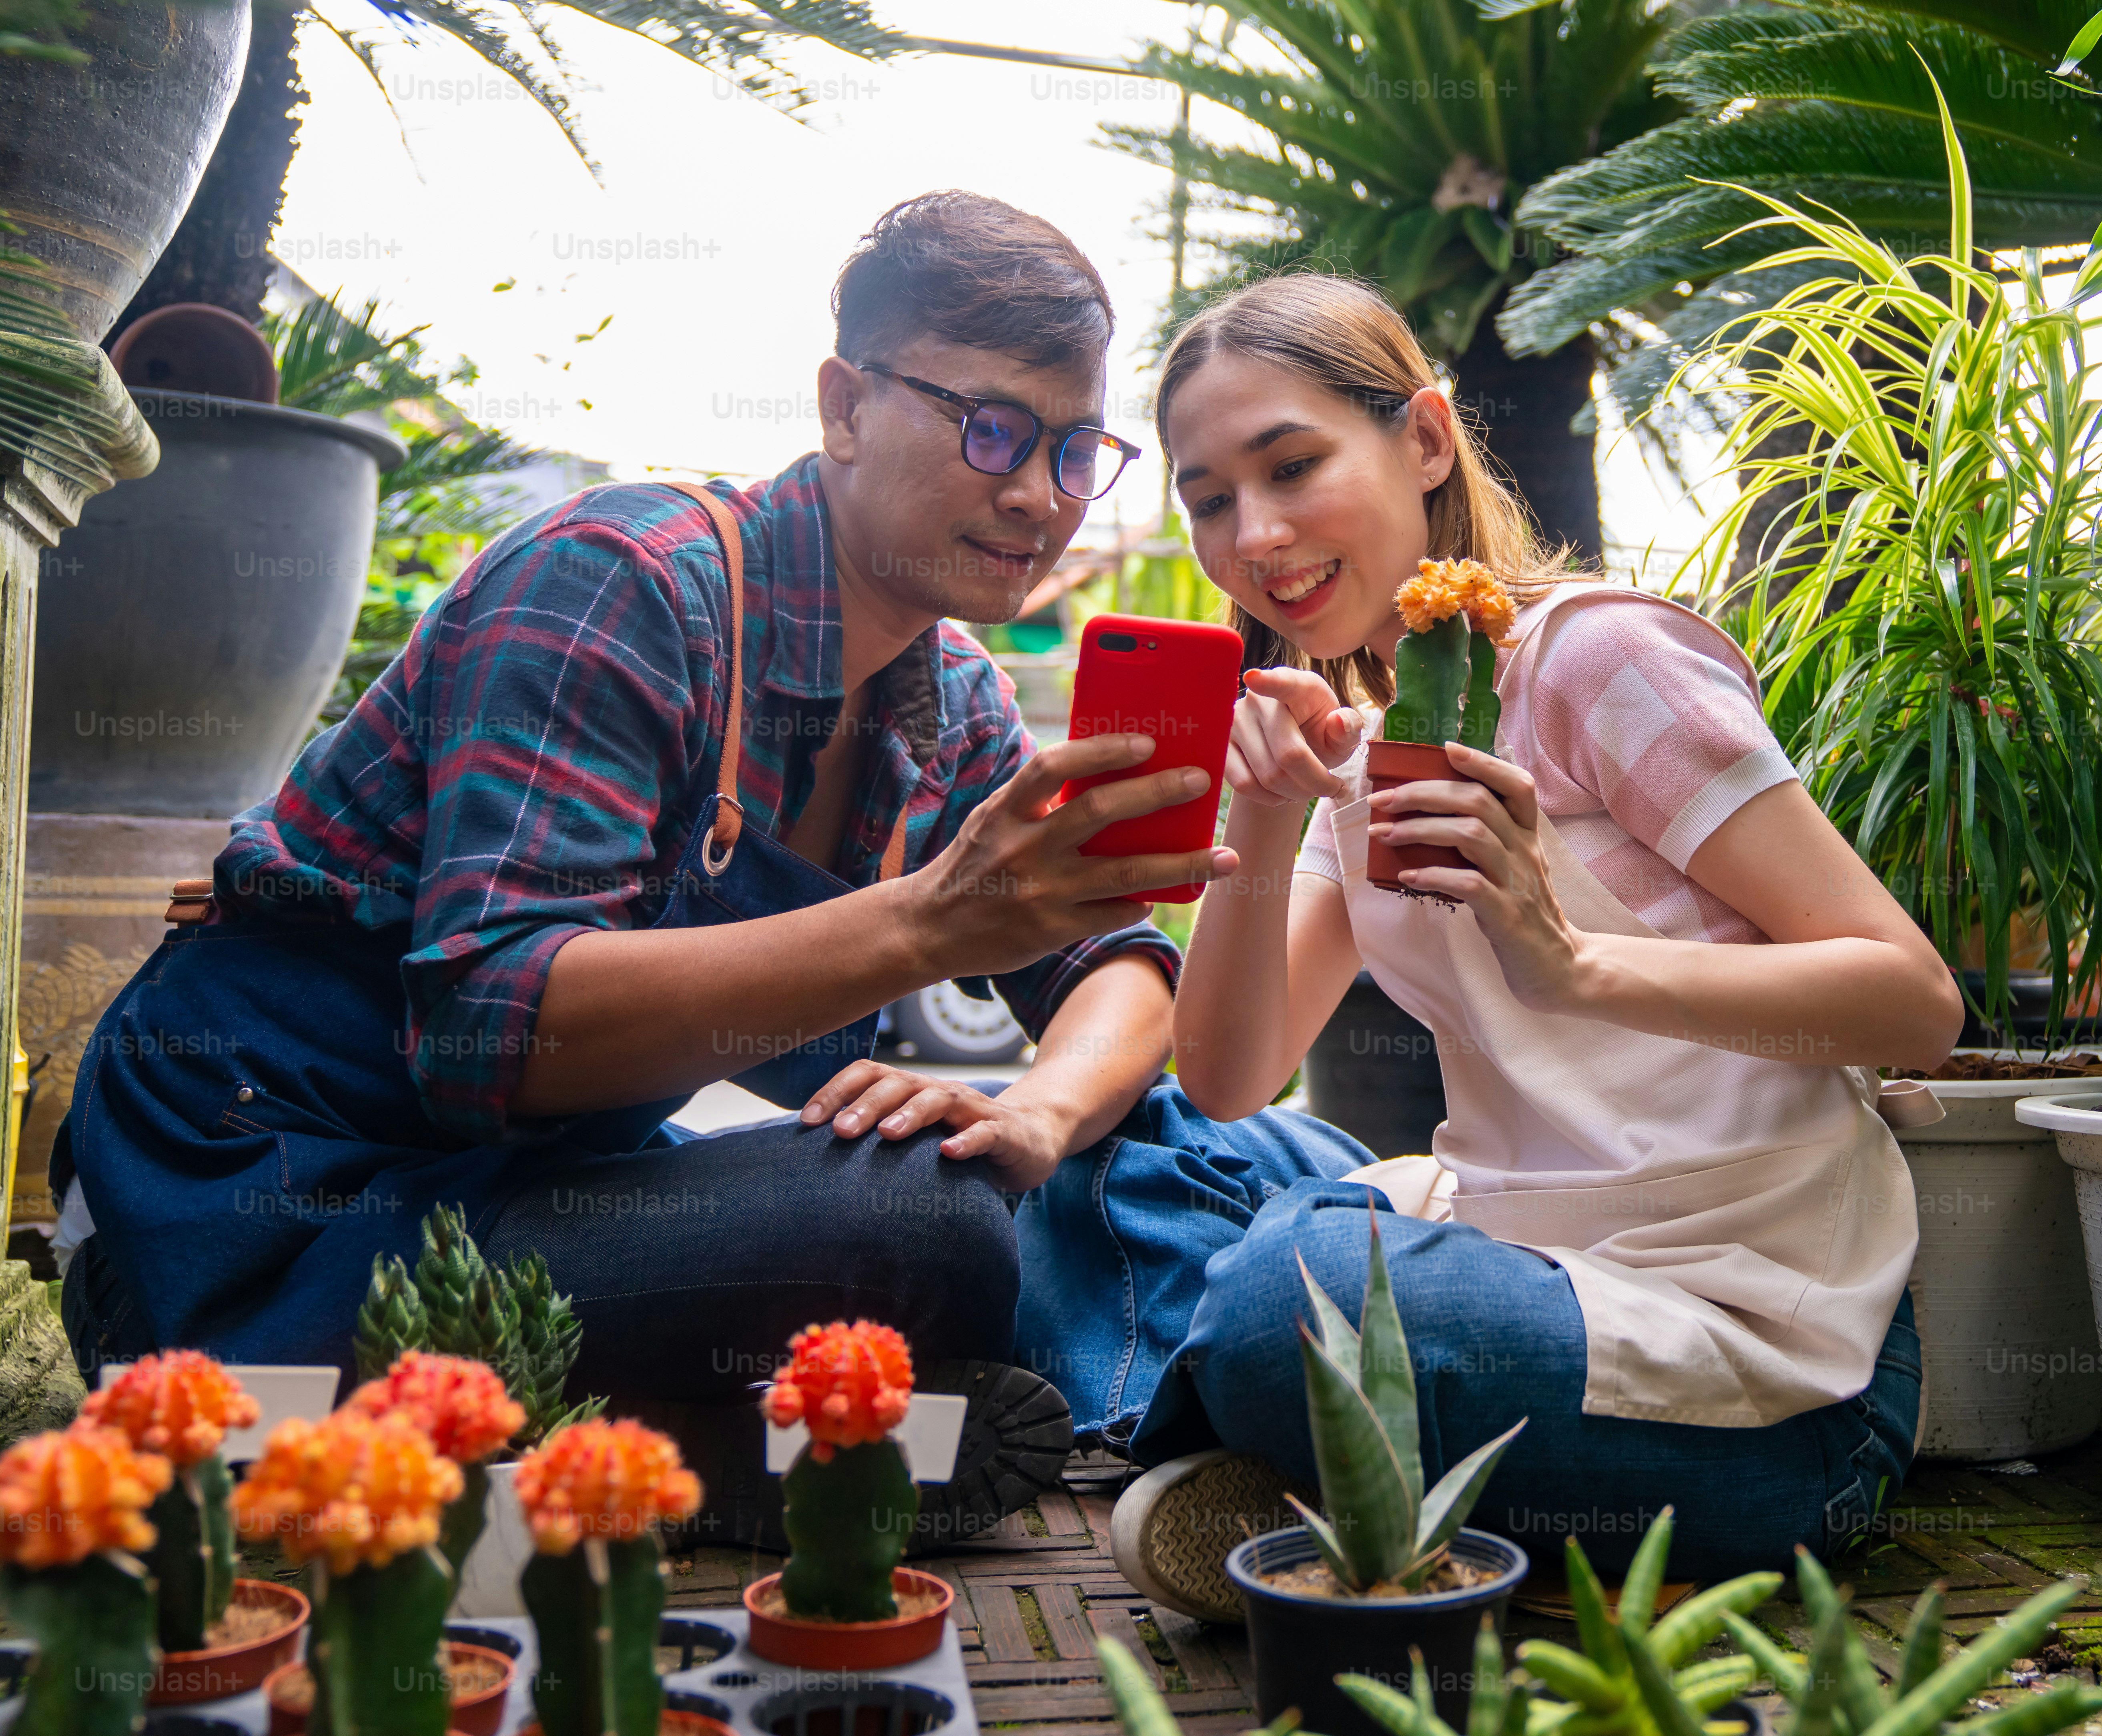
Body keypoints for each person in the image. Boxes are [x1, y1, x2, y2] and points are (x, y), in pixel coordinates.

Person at [54, 192, 1367, 1544]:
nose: (1036, 494)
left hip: (542, 1190)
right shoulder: (620, 582)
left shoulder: (952, 701)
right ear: (845, 406)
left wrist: (1038, 1111)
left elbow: (1120, 967)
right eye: (990, 428)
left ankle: (617, 1438)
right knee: (928, 1227)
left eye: (1074, 450)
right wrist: (929, 922)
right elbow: (485, 1031)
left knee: (1082, 1165)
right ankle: (613, 1439)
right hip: (266, 1195)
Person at [1037, 271, 1962, 1620]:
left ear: (1424, 440)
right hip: (1510, 1252)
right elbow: (1230, 1076)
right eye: (1211, 497)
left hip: (1761, 1371)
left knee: (1288, 1290)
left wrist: (1570, 963)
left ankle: (1262, 1450)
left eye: (1292, 467)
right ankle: (1302, 1454)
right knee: (1118, 1150)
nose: (1257, 534)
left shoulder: (1597, 662)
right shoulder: (1358, 747)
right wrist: (1266, 809)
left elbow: (1914, 1001)